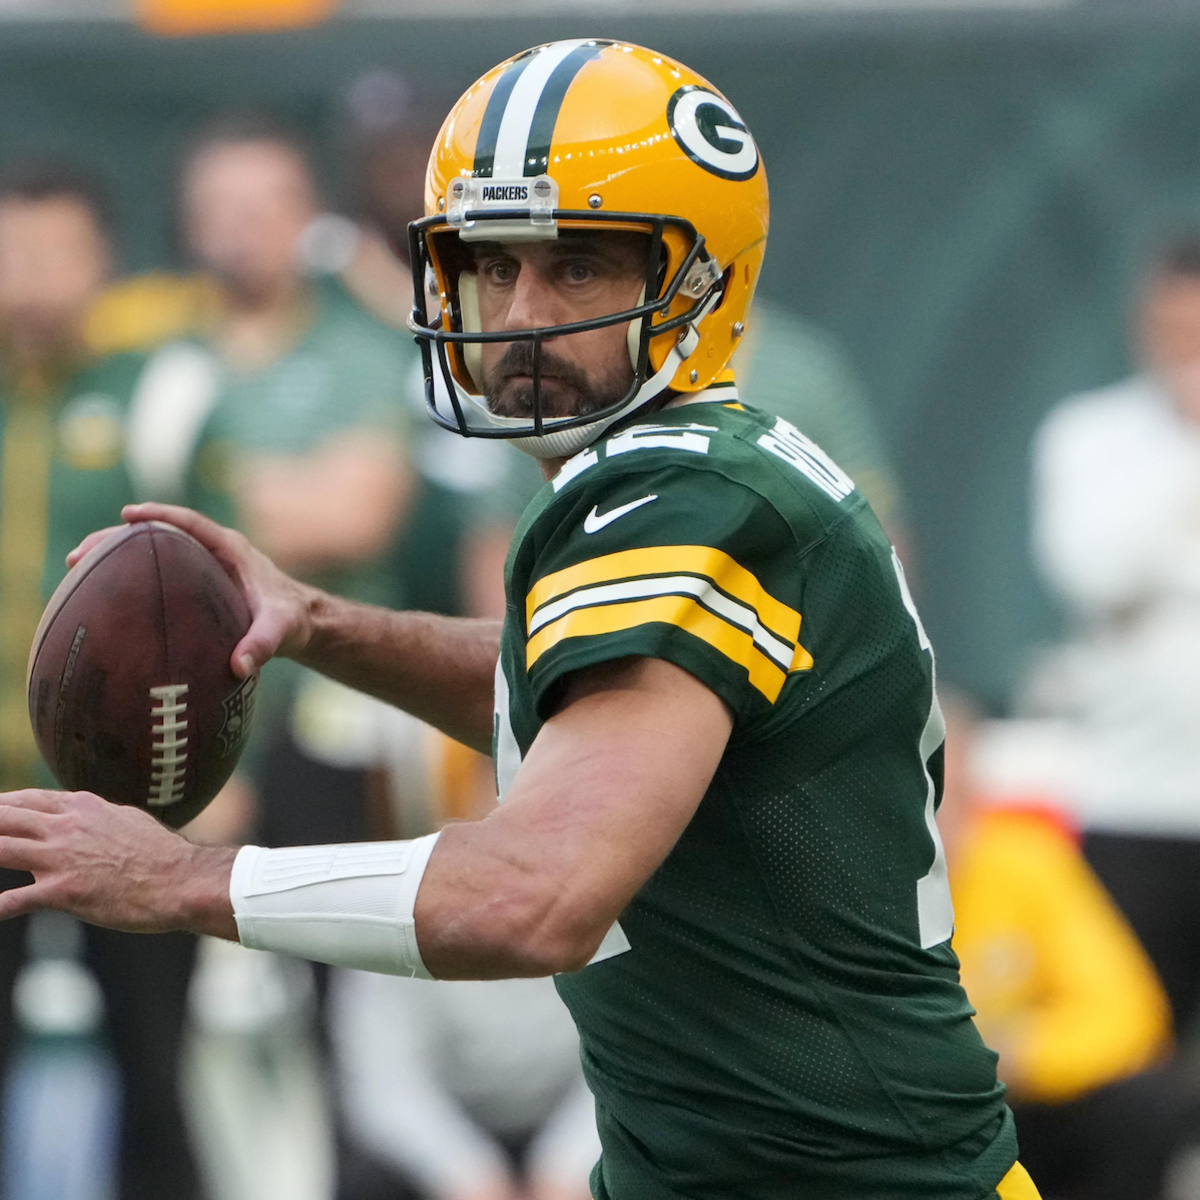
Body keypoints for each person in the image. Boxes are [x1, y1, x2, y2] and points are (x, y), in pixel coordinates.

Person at [0, 42, 1037, 1200]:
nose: (521, 316)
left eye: (579, 270)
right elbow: (565, 694)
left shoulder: (684, 502)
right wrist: (315, 623)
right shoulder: (685, 474)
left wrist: (185, 882)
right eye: (492, 268)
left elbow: (533, 896)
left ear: (703, 279)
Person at [0, 162, 203, 1200]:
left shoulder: (160, 398)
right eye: (13, 248)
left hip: (122, 796)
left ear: (104, 264)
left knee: (155, 1071)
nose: (30, 275)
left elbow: (227, 595)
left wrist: (222, 765)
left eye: (55, 250)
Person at [1031, 230, 1200, 1036]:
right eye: (1174, 334)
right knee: (1133, 1050)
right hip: (1136, 802)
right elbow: (1093, 569)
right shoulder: (1089, 435)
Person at [939, 696, 1200, 1200]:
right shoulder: (846, 881)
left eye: (951, 786)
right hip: (905, 1103)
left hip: (1014, 1098)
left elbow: (1128, 1012)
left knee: (1147, 1103)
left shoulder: (1025, 858)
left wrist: (1017, 1054)